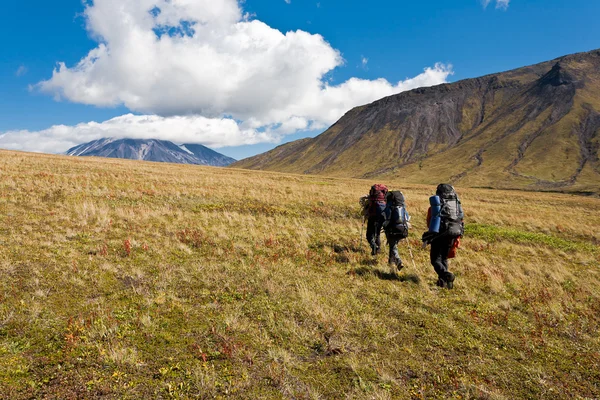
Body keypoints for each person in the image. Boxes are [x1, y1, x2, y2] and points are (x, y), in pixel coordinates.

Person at [422, 184, 464, 289]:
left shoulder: (436, 205)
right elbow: (461, 218)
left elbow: (430, 222)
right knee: (444, 257)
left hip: (439, 234)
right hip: (454, 232)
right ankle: (443, 283)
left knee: (435, 260)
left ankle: (446, 275)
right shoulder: (456, 204)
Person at [382, 190, 411, 272]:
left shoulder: (389, 206)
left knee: (393, 246)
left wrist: (383, 224)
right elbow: (407, 217)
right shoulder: (402, 207)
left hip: (392, 229)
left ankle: (398, 261)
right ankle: (391, 262)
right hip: (402, 228)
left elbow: (385, 216)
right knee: (394, 245)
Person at [364, 184, 388, 255]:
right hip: (382, 215)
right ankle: (378, 250)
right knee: (377, 233)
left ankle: (375, 247)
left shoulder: (372, 198)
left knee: (369, 234)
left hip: (373, 215)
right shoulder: (383, 197)